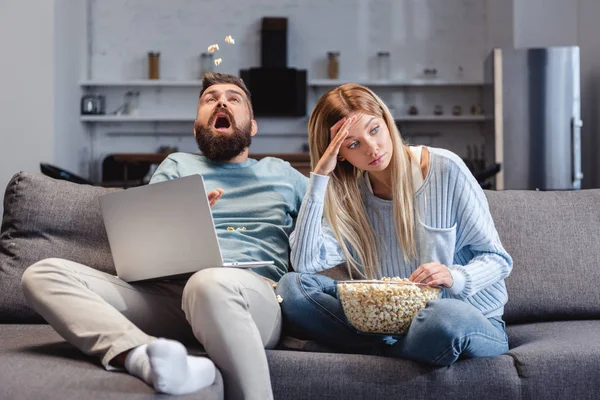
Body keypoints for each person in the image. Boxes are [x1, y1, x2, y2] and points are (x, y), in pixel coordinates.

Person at [21, 73, 308, 400]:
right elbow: (144, 239)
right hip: (171, 296)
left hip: (250, 298)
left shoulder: (282, 173)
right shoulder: (177, 164)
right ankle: (143, 357)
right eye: (210, 98)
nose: (221, 102)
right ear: (196, 126)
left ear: (252, 126)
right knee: (42, 273)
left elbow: (327, 233)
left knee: (210, 283)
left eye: (233, 98)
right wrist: (185, 221)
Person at [276, 83, 513, 366]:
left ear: (387, 121)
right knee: (293, 288)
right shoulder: (352, 195)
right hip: (389, 327)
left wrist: (454, 276)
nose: (371, 148)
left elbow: (499, 260)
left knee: (445, 318)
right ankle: (390, 351)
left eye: (374, 130)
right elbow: (305, 262)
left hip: (469, 319)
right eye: (353, 144)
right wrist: (319, 176)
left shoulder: (445, 168)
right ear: (340, 154)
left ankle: (374, 353)